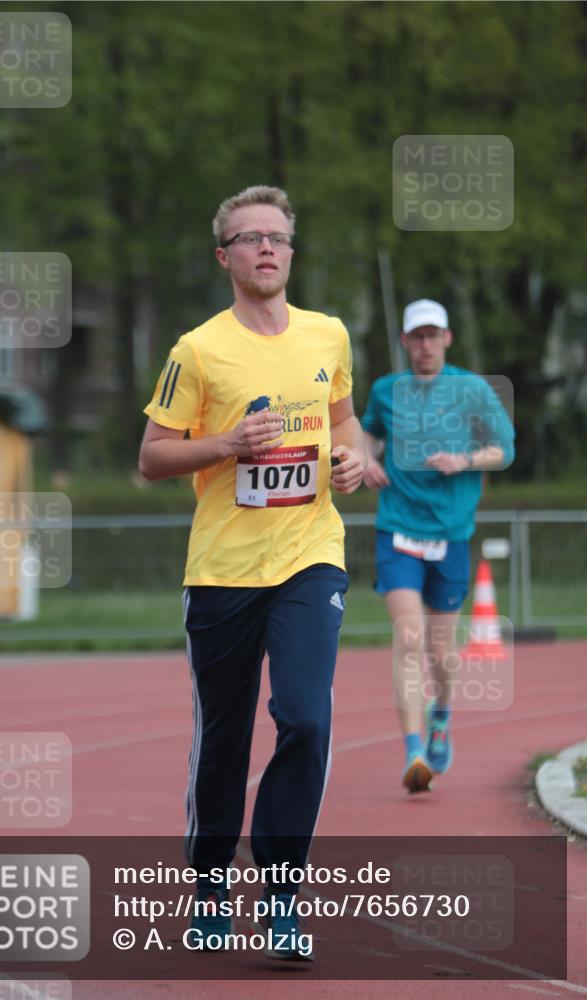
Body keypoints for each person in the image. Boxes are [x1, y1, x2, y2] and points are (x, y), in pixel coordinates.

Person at [139, 185, 366, 959]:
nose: (265, 248)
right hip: (224, 568)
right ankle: (208, 887)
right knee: (226, 735)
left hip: (309, 555)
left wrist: (356, 457)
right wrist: (227, 445)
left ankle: (280, 896)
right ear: (224, 257)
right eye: (249, 238)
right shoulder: (197, 349)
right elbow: (151, 458)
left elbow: (343, 421)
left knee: (305, 716)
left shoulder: (328, 335)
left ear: (291, 253)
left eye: (277, 237)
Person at [361, 299, 515, 793]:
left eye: (433, 335)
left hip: (450, 535)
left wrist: (466, 459)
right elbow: (365, 433)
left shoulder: (471, 389)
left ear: (447, 338)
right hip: (397, 530)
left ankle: (441, 714)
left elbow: (505, 449)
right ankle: (413, 752)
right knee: (408, 638)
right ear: (405, 341)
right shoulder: (386, 390)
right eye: (417, 336)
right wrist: (366, 459)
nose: (425, 344)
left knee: (442, 653)